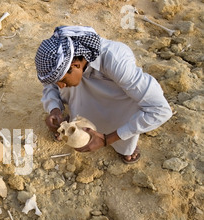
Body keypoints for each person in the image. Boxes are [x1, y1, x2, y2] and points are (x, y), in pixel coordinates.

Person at [35, 26, 173, 164]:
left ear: (76, 65)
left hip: (116, 94)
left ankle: (124, 146)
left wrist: (107, 139)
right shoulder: (65, 62)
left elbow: (160, 110)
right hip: (82, 82)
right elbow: (50, 84)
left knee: (131, 105)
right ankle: (75, 123)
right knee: (68, 86)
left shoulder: (117, 62)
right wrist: (54, 108)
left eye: (62, 80)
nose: (60, 86)